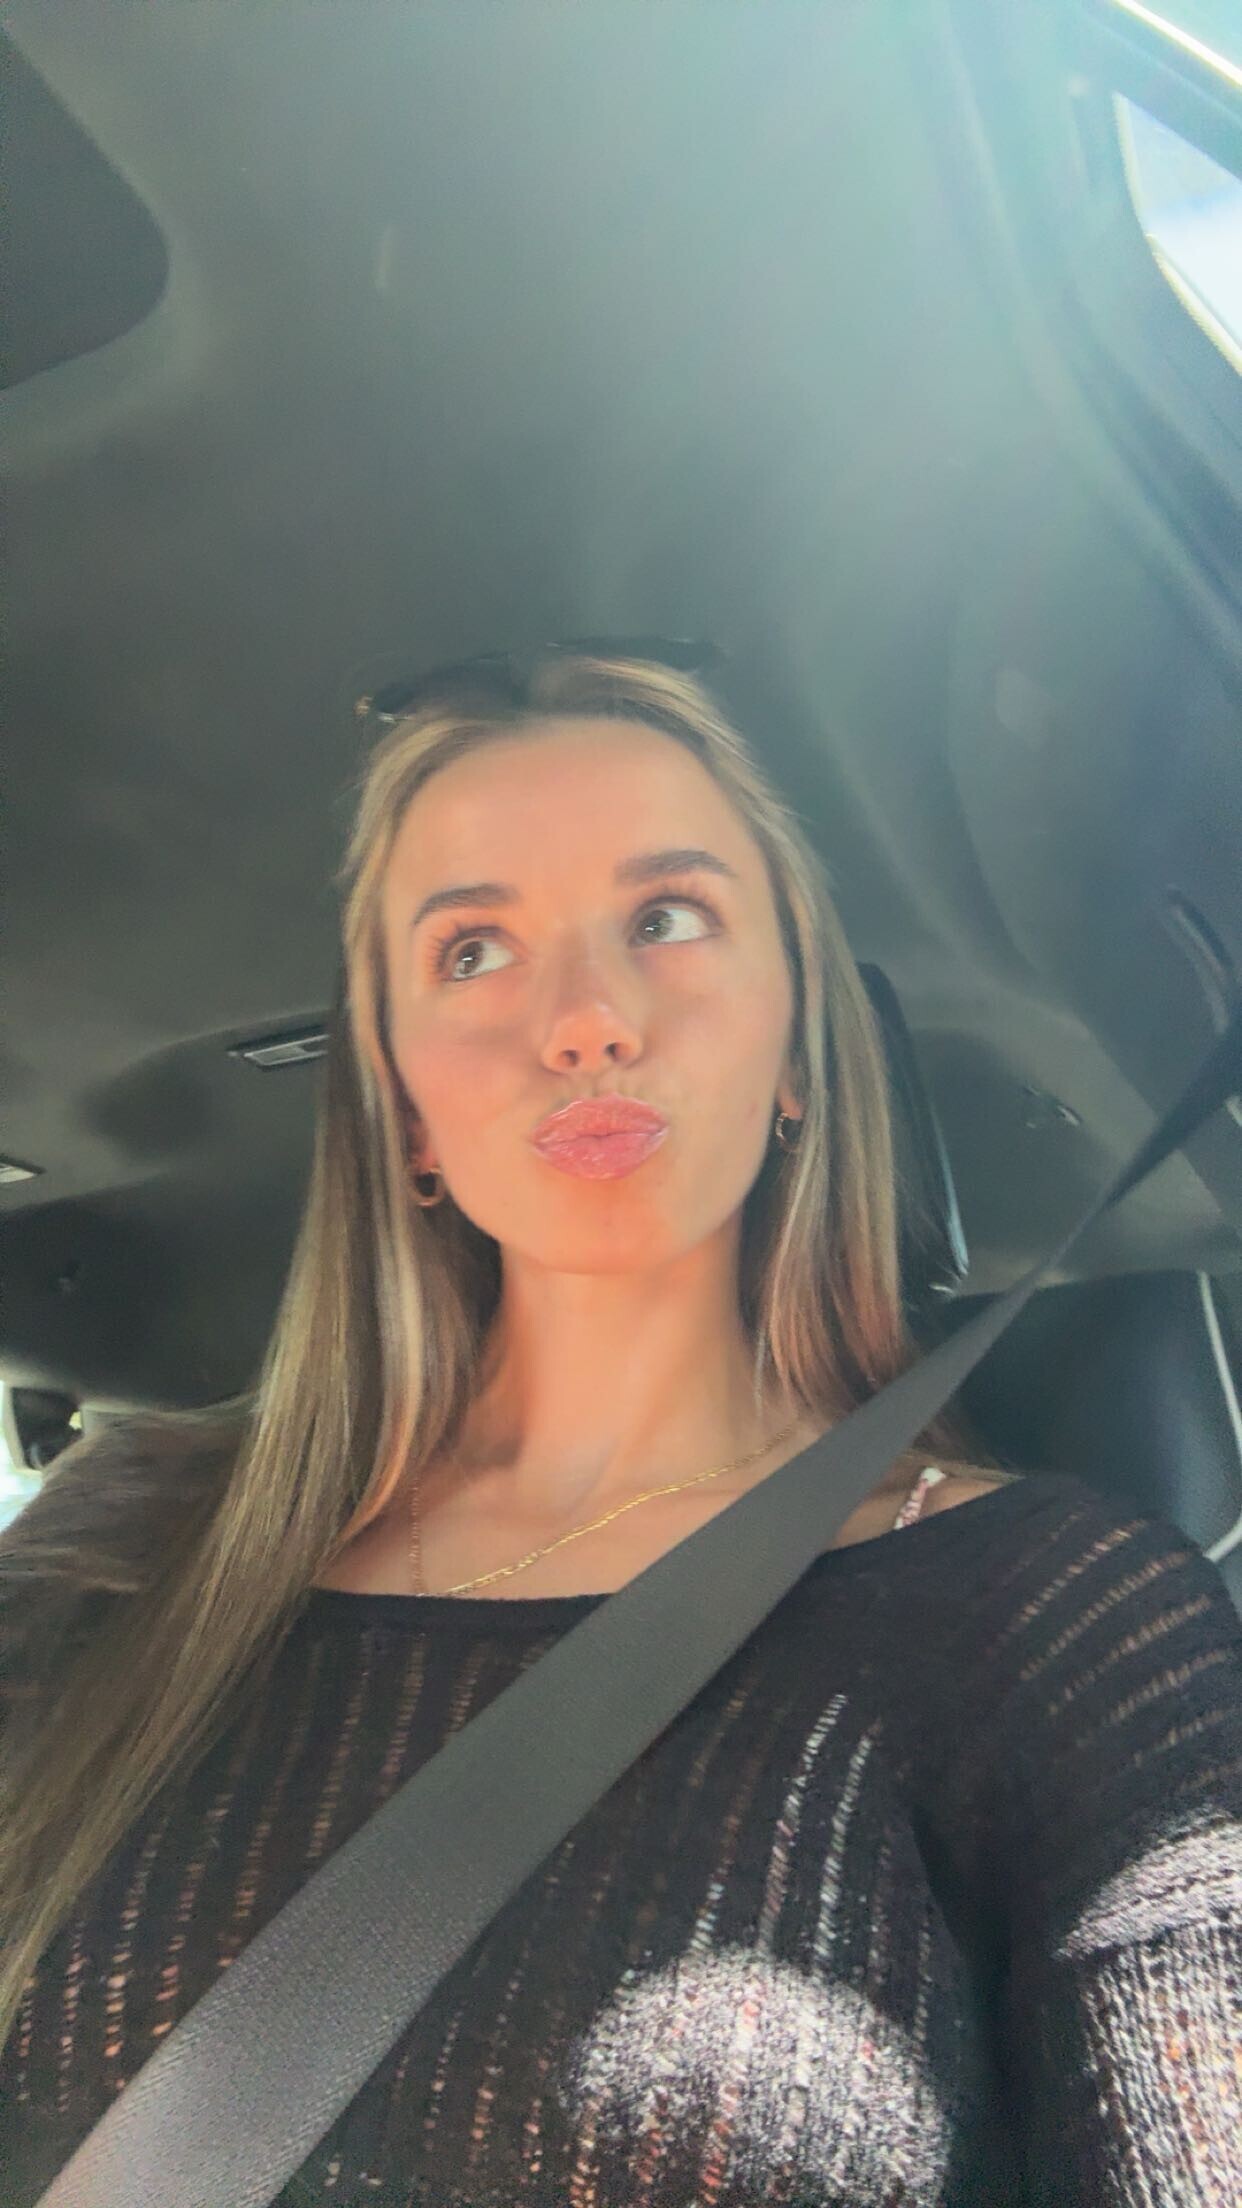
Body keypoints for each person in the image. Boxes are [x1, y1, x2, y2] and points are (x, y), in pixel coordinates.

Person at [1, 643, 1239, 2206]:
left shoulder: (1061, 1626)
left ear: (798, 1046)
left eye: (666, 918)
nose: (585, 1020)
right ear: (402, 1106)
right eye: (472, 951)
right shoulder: (121, 1546)